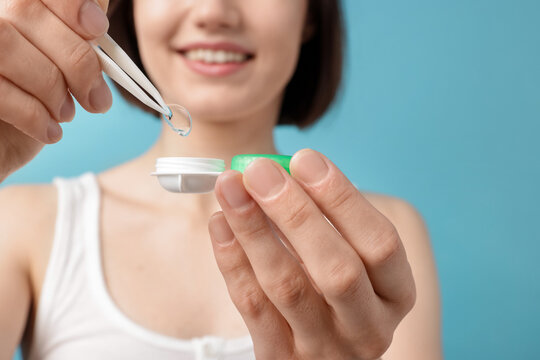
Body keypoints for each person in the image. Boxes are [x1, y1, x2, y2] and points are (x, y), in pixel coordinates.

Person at [0, 0, 442, 359]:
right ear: (127, 9)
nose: (213, 11)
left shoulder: (377, 239)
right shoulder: (23, 223)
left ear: (310, 15)